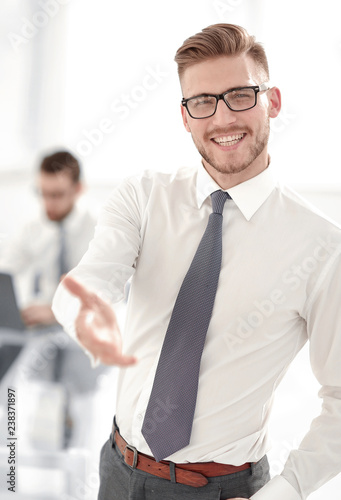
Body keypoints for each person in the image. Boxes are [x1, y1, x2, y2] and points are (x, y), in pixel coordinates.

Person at [52, 24, 341, 500]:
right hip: (117, 469)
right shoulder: (144, 197)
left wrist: (288, 489)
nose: (222, 117)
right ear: (185, 117)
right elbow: (92, 278)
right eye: (203, 101)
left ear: (273, 102)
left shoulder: (321, 247)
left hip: (222, 489)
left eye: (241, 95)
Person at [0, 150, 96, 327]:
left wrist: (56, 312)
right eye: (42, 193)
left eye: (57, 195)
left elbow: (105, 295)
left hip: (85, 327)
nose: (48, 203)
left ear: (78, 189)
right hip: (41, 326)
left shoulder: (98, 232)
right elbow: (6, 270)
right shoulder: (32, 229)